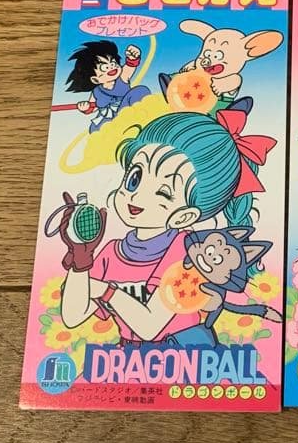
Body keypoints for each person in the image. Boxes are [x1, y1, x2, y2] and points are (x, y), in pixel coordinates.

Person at [57, 103, 275, 347]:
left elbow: (150, 326)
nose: (136, 196)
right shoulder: (112, 251)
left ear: (185, 217)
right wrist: (81, 260)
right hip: (132, 354)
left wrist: (105, 290)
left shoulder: (190, 251)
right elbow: (73, 316)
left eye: (163, 193)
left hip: (185, 352)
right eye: (135, 178)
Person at [66, 40, 150, 132]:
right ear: (95, 79)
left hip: (127, 112)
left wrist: (133, 57)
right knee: (95, 130)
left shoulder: (122, 78)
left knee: (140, 91)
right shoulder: (96, 92)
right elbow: (93, 107)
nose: (111, 67)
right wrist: (85, 108)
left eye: (113, 63)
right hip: (110, 119)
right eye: (104, 67)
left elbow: (129, 67)